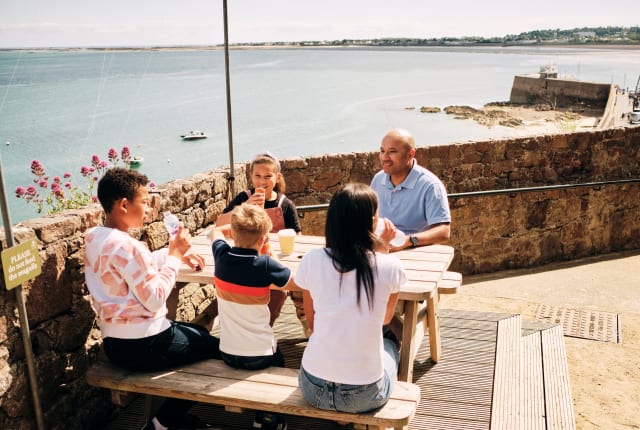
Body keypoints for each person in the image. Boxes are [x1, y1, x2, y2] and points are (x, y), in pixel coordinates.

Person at [84, 168, 220, 430]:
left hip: (114, 345)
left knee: (197, 333)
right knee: (216, 351)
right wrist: (175, 256)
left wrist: (169, 255)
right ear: (124, 204)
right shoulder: (128, 246)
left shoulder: (95, 237)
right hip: (148, 345)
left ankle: (172, 419)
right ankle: (162, 422)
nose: (148, 209)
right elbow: (156, 299)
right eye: (144, 202)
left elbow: (132, 267)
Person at [292, 183, 407, 413]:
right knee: (390, 343)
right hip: (364, 395)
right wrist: (382, 247)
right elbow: (385, 319)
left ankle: (339, 413)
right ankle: (348, 414)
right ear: (372, 222)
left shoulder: (311, 260)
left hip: (313, 389)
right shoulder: (390, 267)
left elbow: (312, 322)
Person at [210, 203, 295, 430]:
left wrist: (235, 229)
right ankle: (265, 417)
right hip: (260, 356)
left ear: (234, 234)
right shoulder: (265, 264)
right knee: (281, 364)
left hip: (227, 352)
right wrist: (271, 253)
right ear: (263, 239)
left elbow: (215, 232)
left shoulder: (221, 255)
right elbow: (295, 282)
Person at [219, 151, 309, 336]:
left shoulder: (285, 204)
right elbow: (220, 223)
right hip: (248, 259)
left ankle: (305, 322)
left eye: (268, 176)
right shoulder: (244, 198)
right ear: (250, 176)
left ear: (277, 177)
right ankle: (255, 330)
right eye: (257, 176)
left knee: (293, 288)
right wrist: (244, 207)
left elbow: (297, 237)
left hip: (277, 259)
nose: (262, 181)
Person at [370, 128, 451, 251]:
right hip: (380, 249)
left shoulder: (430, 185)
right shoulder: (378, 179)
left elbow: (443, 232)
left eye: (392, 151)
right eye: (382, 151)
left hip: (413, 251)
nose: (384, 157)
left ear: (411, 154)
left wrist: (407, 241)